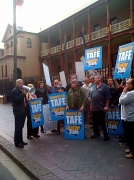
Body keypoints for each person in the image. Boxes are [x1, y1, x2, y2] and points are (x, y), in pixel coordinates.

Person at [90, 75, 111, 141]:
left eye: (95, 78)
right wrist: (91, 106)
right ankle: (96, 133)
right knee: (95, 122)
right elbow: (91, 97)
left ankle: (106, 135)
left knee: (102, 122)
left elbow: (108, 97)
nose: (94, 79)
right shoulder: (93, 86)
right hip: (94, 107)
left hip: (101, 107)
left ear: (99, 79)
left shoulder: (104, 86)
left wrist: (106, 105)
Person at [119, 78, 134, 158]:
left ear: (131, 85)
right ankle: (130, 148)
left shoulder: (131, 93)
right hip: (127, 117)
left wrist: (123, 91)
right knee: (128, 134)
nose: (126, 84)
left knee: (131, 135)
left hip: (130, 118)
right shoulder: (130, 93)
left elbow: (121, 101)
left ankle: (132, 152)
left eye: (127, 83)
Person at [11, 79, 28, 148]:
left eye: (22, 83)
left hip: (23, 111)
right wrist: (23, 95)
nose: (21, 84)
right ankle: (17, 142)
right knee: (18, 127)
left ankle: (21, 140)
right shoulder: (14, 91)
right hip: (18, 111)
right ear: (17, 84)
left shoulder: (21, 90)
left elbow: (23, 100)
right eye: (20, 83)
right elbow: (17, 101)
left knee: (21, 126)